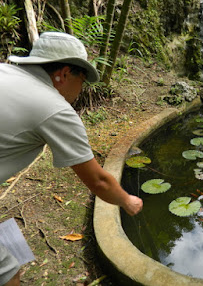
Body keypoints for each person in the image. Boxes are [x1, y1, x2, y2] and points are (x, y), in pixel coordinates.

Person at [0, 32, 143, 285]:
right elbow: (99, 181)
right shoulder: (54, 108)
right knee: (8, 271)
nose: (81, 90)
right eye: (83, 80)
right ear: (64, 74)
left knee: (9, 248)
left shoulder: (6, 73)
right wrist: (128, 201)